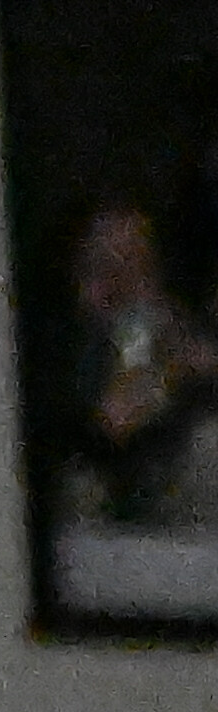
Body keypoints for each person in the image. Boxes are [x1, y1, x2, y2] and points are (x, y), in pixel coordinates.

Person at [68, 192, 216, 533]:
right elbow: (115, 419)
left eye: (139, 263)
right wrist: (163, 376)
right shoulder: (84, 340)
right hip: (110, 477)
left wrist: (185, 362)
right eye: (115, 265)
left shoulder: (157, 322)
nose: (133, 279)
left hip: (165, 467)